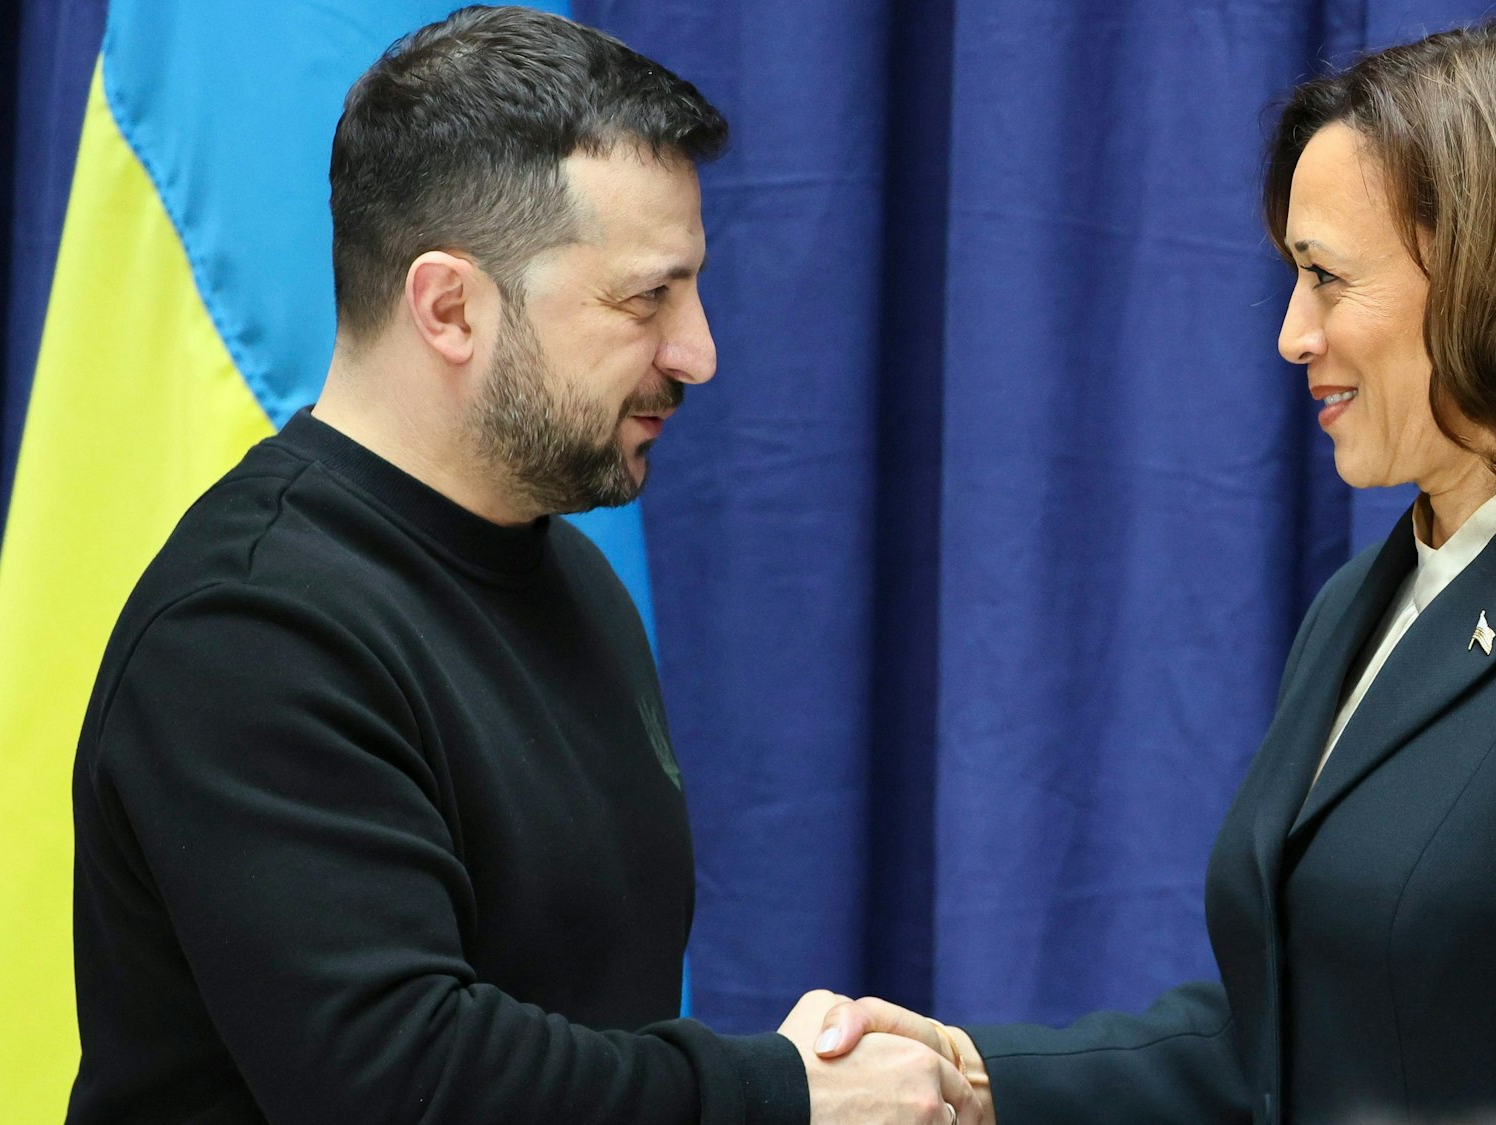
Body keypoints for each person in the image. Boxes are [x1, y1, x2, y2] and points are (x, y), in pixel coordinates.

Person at [812, 14, 1496, 1124]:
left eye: (1324, 277)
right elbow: (1295, 1039)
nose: (1289, 334)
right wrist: (971, 1080)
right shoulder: (1363, 604)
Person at [66, 8, 977, 1124]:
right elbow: (407, 1082)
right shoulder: (250, 629)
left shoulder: (572, 580)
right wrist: (781, 1098)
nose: (698, 351)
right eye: (647, 298)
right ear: (449, 307)